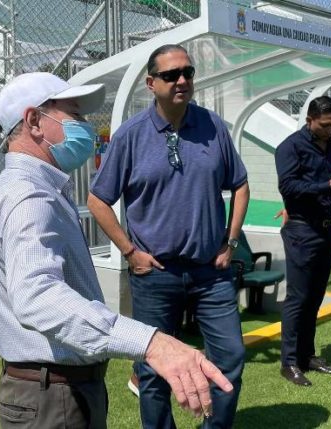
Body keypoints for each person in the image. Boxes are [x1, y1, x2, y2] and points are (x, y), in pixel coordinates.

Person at [0, 72, 233, 429]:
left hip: (56, 390)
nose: (86, 127)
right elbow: (36, 295)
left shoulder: (23, 189)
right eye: (75, 115)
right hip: (53, 396)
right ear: (34, 121)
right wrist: (153, 343)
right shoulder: (29, 196)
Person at [87, 44, 249, 429]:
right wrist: (129, 252)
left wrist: (231, 242)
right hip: (155, 275)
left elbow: (240, 186)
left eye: (188, 73)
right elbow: (97, 200)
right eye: (172, 75)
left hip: (211, 274)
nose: (182, 81)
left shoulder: (212, 127)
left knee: (230, 357)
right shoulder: (130, 136)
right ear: (150, 83)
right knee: (153, 372)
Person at [274, 96, 331, 387]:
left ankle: (307, 355)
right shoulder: (290, 147)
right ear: (309, 119)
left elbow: (318, 186)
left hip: (326, 229)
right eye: (325, 125)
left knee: (315, 296)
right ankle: (289, 362)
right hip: (302, 231)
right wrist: (327, 185)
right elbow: (288, 186)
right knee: (298, 297)